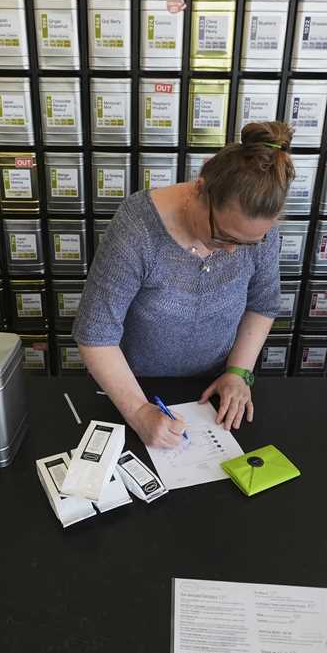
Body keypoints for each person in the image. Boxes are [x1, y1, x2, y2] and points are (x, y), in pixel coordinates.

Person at [73, 121, 294, 447]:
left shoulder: (259, 231)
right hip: (134, 387)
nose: (231, 251)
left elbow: (262, 304)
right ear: (199, 189)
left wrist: (238, 373)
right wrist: (138, 411)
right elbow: (96, 333)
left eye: (248, 242)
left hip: (214, 386)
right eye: (222, 236)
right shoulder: (137, 227)